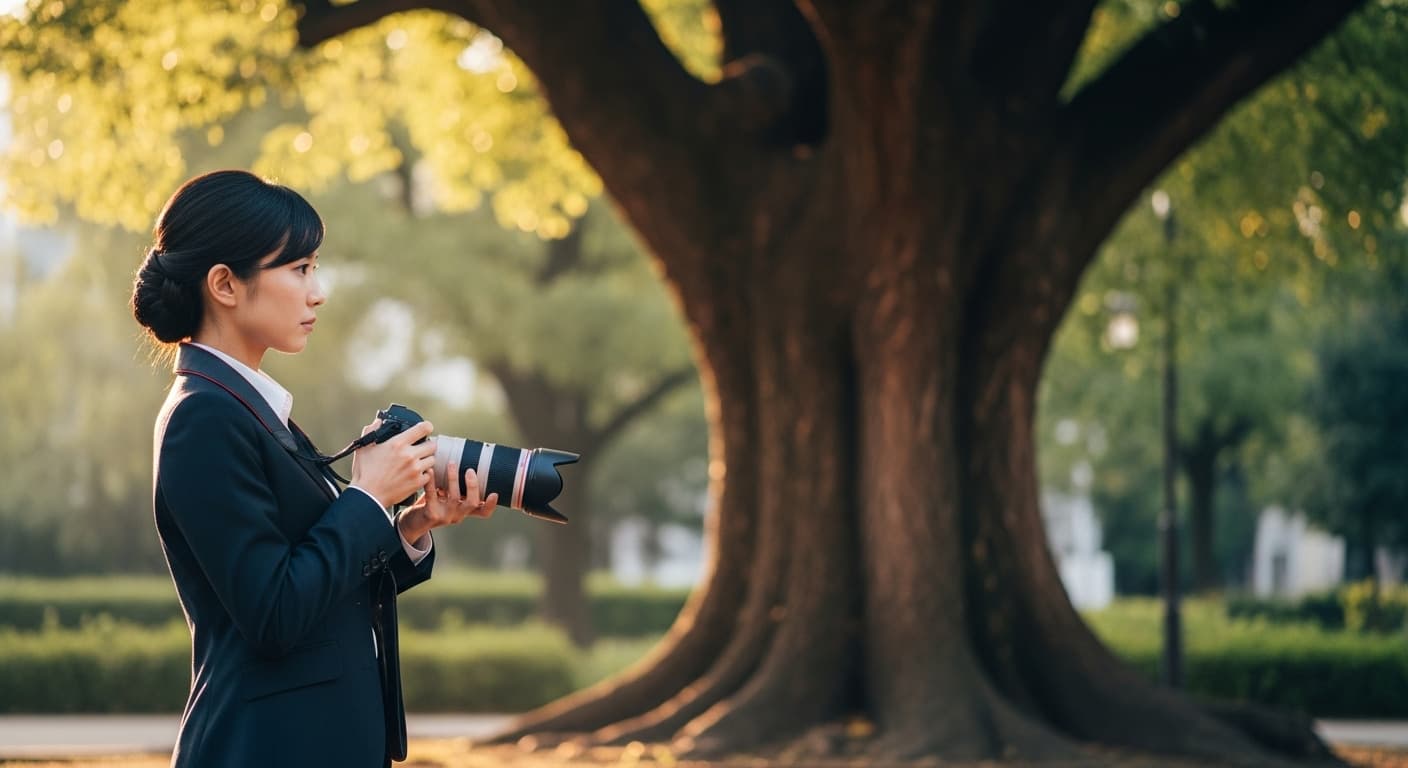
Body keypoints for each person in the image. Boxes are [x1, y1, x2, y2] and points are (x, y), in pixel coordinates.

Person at [130, 169, 498, 767]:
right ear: (224, 283)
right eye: (299, 269)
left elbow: (319, 589)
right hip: (265, 747)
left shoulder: (247, 408)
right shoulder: (205, 419)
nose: (317, 291)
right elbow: (274, 614)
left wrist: (405, 527)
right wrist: (368, 495)